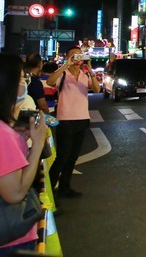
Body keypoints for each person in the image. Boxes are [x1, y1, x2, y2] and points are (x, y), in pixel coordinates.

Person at [0, 53, 47, 253]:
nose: (25, 83)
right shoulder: (3, 134)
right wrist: (36, 145)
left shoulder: (6, 130)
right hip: (11, 241)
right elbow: (15, 193)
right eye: (20, 78)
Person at [47, 46, 101, 198]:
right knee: (62, 157)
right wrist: (66, 64)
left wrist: (90, 70)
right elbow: (50, 81)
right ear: (68, 57)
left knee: (73, 157)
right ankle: (49, 192)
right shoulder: (62, 74)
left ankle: (65, 187)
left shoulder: (85, 74)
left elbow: (97, 90)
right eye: (74, 55)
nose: (77, 58)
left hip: (82, 119)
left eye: (79, 55)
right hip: (65, 120)